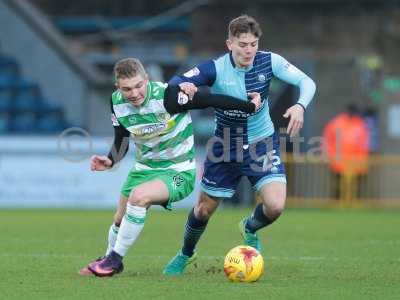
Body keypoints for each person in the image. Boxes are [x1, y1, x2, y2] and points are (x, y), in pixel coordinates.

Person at [79, 58, 261, 277]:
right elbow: (122, 139)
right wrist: (110, 160)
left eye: (139, 85)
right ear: (118, 87)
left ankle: (114, 261)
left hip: (178, 172)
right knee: (119, 218)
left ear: (147, 80)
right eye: (127, 89)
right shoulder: (116, 102)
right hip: (144, 169)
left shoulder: (169, 96)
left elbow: (211, 99)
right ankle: (108, 258)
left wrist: (248, 105)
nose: (135, 93)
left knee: (138, 198)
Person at [163, 15, 316, 275]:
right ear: (229, 44)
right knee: (202, 210)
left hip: (262, 143)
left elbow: (307, 82)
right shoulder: (214, 68)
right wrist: (185, 85)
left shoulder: (270, 61)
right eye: (243, 44)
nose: (249, 50)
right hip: (226, 145)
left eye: (253, 44)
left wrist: (300, 106)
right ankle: (185, 253)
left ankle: (250, 227)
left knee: (276, 206)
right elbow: (174, 84)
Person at [323, 104, 370, 201]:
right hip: (338, 163)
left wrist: (362, 161)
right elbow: (327, 141)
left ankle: (355, 205)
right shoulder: (336, 123)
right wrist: (330, 156)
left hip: (356, 164)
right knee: (337, 187)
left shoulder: (360, 124)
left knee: (356, 188)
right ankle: (336, 205)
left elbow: (364, 144)